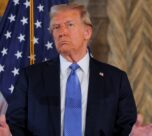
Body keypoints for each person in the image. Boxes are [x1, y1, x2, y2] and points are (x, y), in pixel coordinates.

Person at [0, 3, 137, 136]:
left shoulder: (116, 79)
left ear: (87, 32)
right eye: (56, 27)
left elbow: (126, 126)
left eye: (69, 25)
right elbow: (15, 125)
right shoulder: (30, 77)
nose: (62, 32)